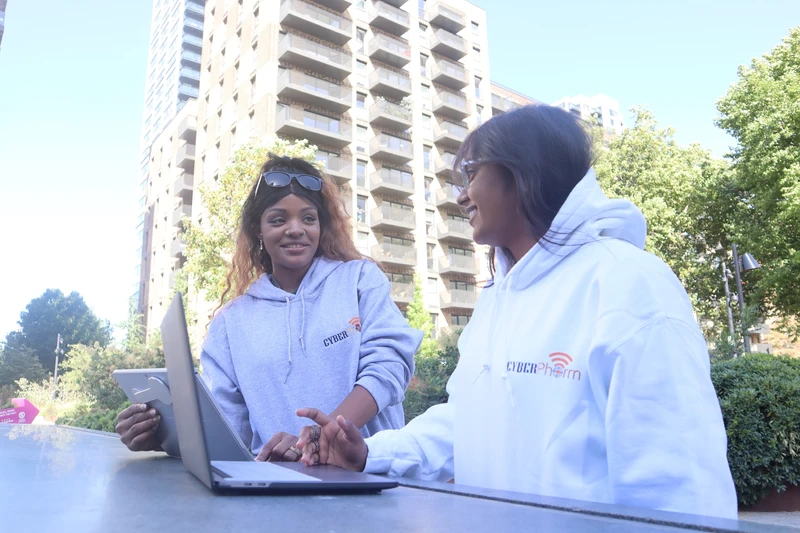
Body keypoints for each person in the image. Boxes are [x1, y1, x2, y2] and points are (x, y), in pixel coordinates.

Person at [294, 105, 738, 519]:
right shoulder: (497, 298)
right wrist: (369, 454)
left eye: (470, 174)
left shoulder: (628, 282)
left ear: (523, 173)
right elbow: (466, 422)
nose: (461, 196)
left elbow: (682, 489)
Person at [116, 155, 421, 461]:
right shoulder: (230, 323)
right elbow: (227, 430)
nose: (295, 229)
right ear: (258, 230)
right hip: (278, 484)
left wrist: (323, 438)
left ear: (321, 226)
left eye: (308, 218)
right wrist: (163, 436)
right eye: (278, 220)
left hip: (371, 475)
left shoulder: (360, 279)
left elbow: (389, 368)